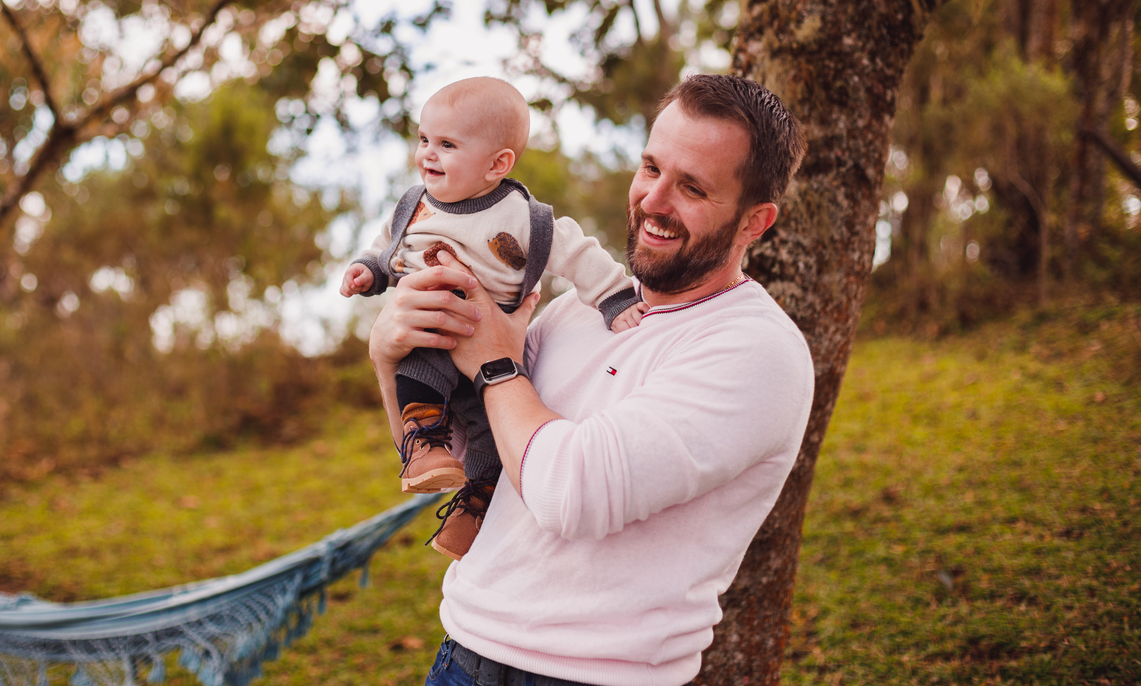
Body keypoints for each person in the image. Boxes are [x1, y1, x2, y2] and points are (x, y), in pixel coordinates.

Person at [368, 74, 816, 686]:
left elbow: (567, 492)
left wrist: (497, 365)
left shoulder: (758, 351)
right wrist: (388, 359)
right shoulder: (576, 310)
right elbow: (474, 452)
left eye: (692, 187)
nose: (654, 200)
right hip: (462, 657)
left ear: (754, 222)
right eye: (651, 167)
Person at [341, 77, 647, 560]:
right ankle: (424, 446)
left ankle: (475, 506)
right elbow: (389, 250)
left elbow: (579, 254)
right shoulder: (415, 205)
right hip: (429, 330)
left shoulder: (523, 217)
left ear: (497, 164)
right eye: (423, 140)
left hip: (492, 343)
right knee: (417, 370)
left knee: (488, 430)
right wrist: (368, 271)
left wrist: (613, 299)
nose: (427, 155)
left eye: (446, 145)